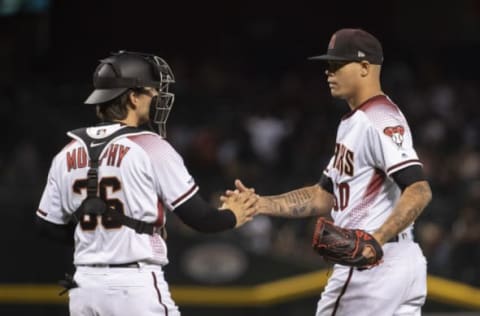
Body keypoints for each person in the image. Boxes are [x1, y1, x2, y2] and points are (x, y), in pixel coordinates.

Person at [225, 29, 432, 315]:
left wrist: (377, 240)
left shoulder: (379, 118)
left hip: (373, 266)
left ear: (364, 67)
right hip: (400, 263)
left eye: (337, 64)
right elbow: (324, 196)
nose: (328, 72)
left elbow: (419, 189)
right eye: (328, 65)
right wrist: (261, 204)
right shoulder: (354, 122)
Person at [35, 50, 256, 316]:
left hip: (84, 288)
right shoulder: (150, 145)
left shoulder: (67, 151)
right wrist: (233, 215)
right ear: (132, 97)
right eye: (151, 91)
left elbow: (46, 226)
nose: (157, 98)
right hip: (133, 287)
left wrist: (101, 238)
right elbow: (199, 218)